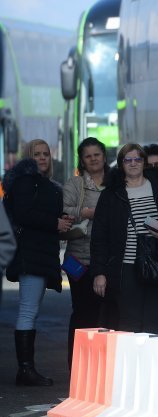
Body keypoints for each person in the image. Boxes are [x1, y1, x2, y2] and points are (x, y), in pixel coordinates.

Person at [3, 140, 73, 386]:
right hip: (30, 255)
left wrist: (60, 220)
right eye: (37, 154)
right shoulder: (25, 181)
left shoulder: (44, 184)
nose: (42, 158)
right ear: (28, 157)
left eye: (46, 154)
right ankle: (25, 369)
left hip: (40, 254)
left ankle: (26, 369)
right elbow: (24, 214)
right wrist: (55, 223)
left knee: (30, 310)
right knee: (28, 310)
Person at [91, 143, 158, 334]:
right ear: (121, 164)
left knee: (156, 322)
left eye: (138, 159)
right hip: (126, 267)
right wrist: (99, 273)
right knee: (129, 323)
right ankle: (129, 364)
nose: (133, 163)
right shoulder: (111, 195)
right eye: (128, 160)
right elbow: (99, 236)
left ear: (144, 163)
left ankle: (150, 364)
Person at [62, 137, 109, 368]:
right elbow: (64, 210)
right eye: (88, 156)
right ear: (82, 160)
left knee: (104, 313)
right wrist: (86, 212)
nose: (93, 159)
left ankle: (100, 364)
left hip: (106, 259)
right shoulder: (75, 183)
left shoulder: (115, 182)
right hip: (77, 259)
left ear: (103, 155)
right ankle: (77, 365)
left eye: (96, 154)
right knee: (82, 312)